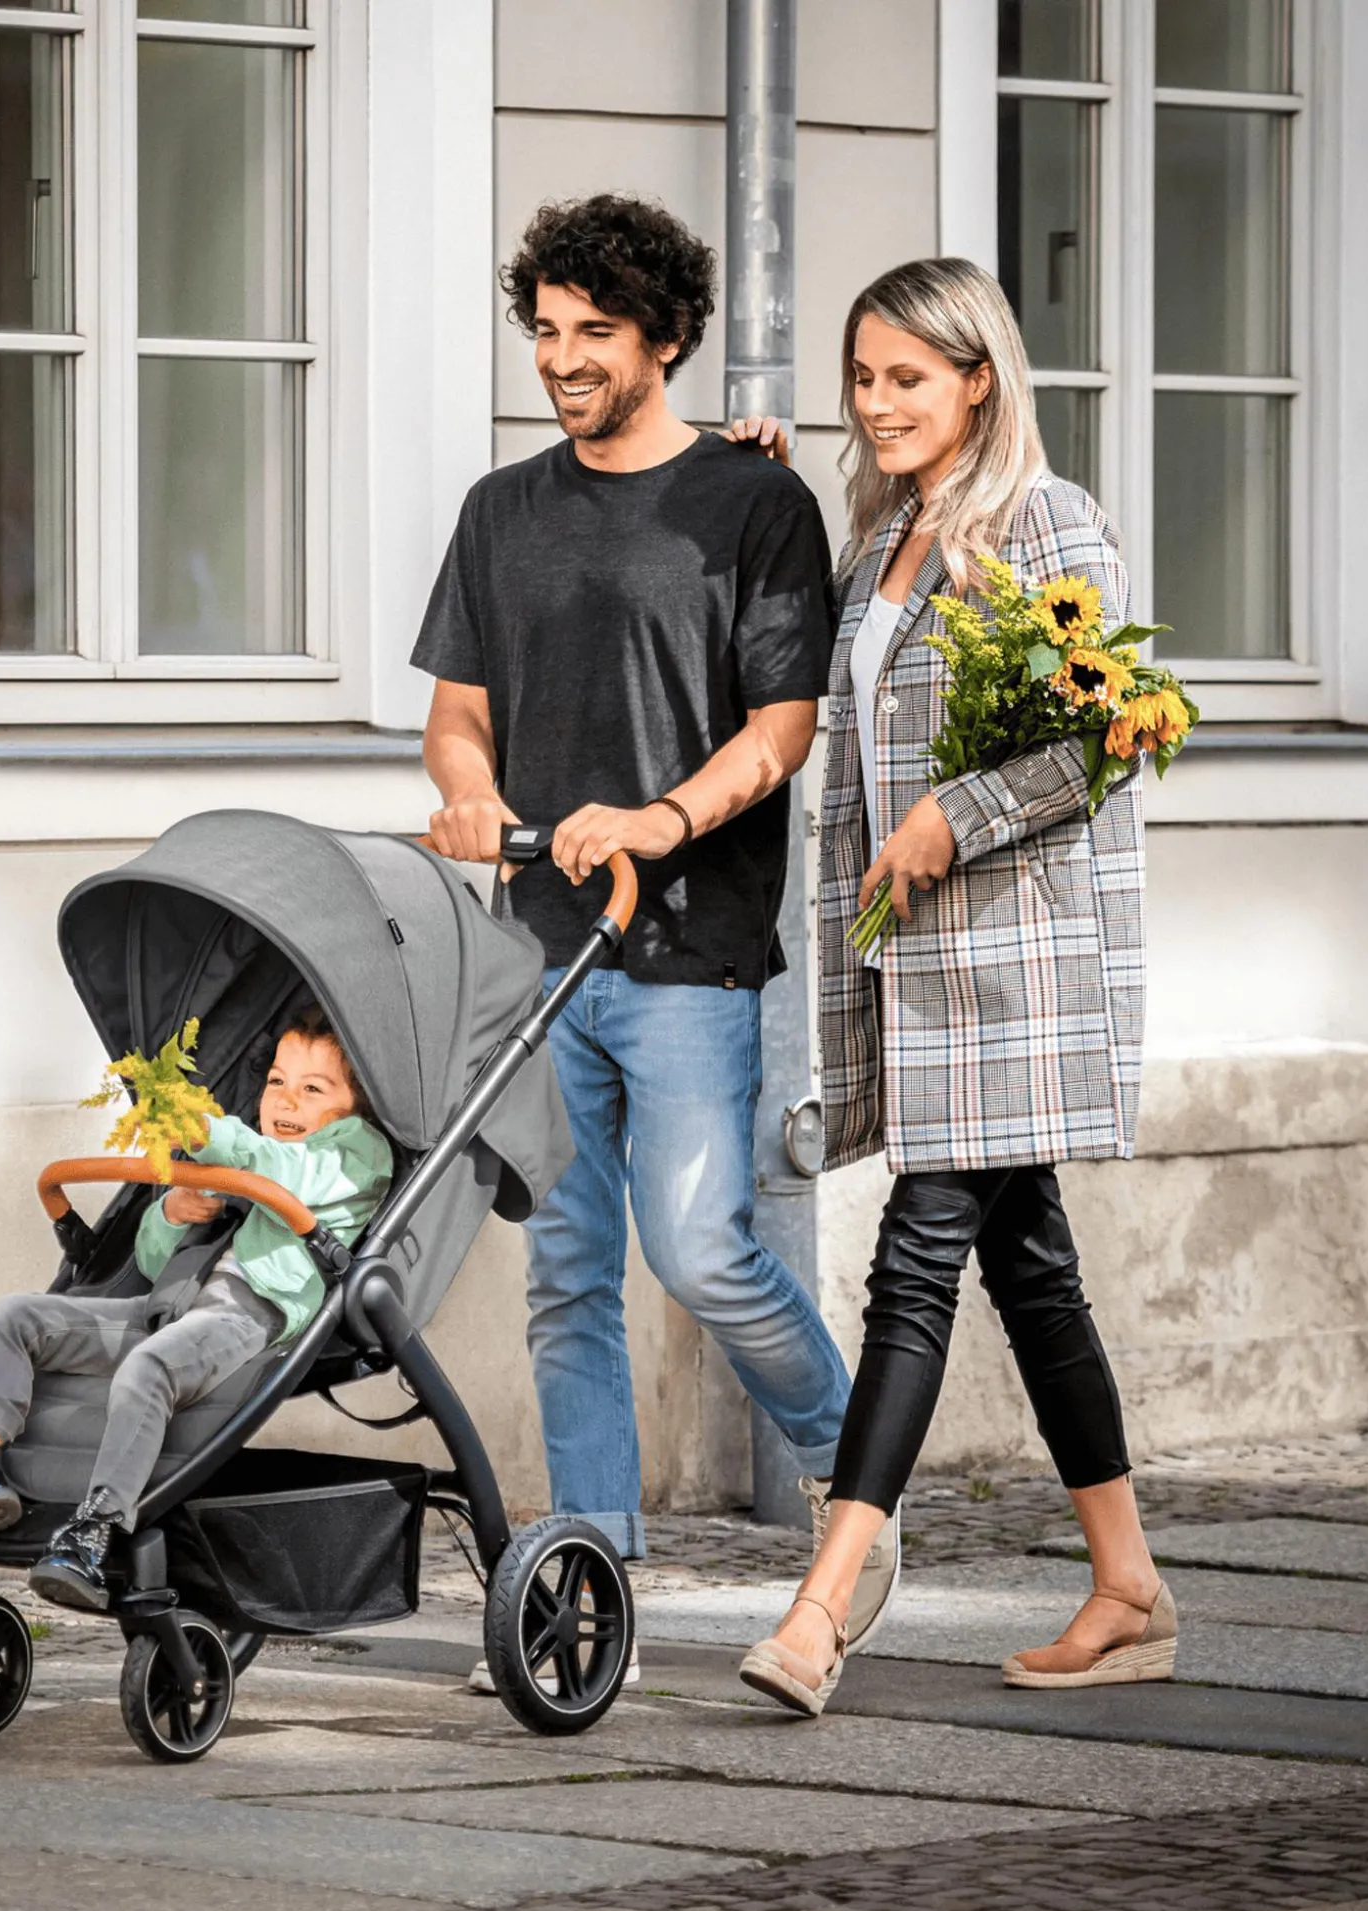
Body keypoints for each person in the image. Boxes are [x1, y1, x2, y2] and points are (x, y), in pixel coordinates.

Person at [413, 193, 899, 1694]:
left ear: (667, 338)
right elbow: (456, 715)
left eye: (596, 332)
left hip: (690, 950)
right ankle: (587, 1582)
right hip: (538, 956)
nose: (562, 358)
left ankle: (858, 1490)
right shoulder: (499, 511)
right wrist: (470, 795)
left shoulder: (753, 504)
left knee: (701, 1251)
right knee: (565, 1272)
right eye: (546, 329)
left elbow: (781, 731)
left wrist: (655, 821)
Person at [731, 258, 1173, 1718]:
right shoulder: (880, 538)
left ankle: (821, 1608)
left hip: (1013, 966)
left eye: (906, 378)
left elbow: (1112, 734)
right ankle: (1127, 1587)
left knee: (915, 1259)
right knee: (1028, 1268)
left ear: (978, 380)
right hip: (912, 965)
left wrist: (952, 816)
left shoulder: (1050, 523)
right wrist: (754, 485)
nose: (877, 403)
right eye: (861, 379)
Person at [0, 1011, 393, 1610]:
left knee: (149, 1368)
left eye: (312, 1088)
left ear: (355, 1105)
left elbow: (289, 1175)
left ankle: (97, 1528)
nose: (286, 1100)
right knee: (13, 1318)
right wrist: (173, 1212)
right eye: (276, 1081)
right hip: (168, 1305)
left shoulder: (355, 1154)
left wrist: (214, 1136)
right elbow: (151, 1259)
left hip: (246, 1316)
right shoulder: (251, 1155)